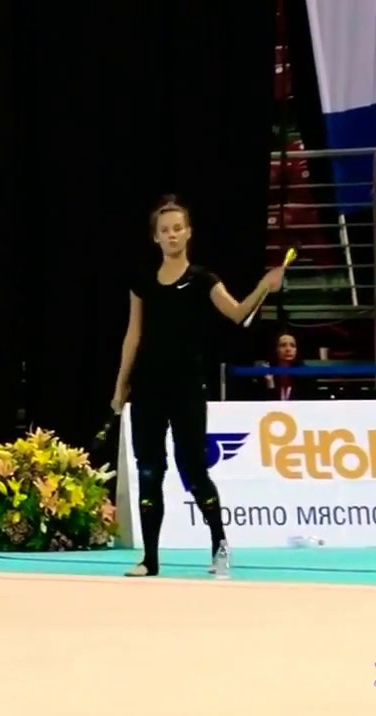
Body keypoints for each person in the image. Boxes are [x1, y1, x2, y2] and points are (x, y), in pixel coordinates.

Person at [111, 196, 286, 578]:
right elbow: (132, 336)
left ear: (188, 233)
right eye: (165, 230)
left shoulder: (203, 279)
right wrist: (120, 385)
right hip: (147, 388)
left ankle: (219, 544)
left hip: (187, 386)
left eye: (178, 228)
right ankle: (150, 558)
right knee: (149, 470)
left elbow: (239, 314)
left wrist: (264, 286)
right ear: (155, 238)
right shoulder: (141, 282)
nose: (172, 235)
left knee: (193, 468)